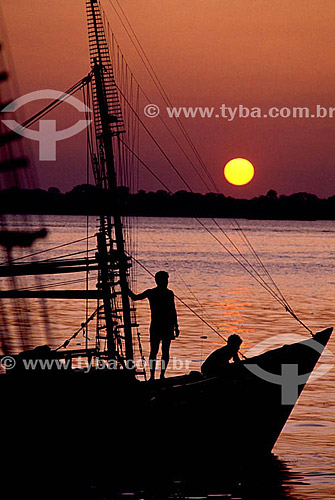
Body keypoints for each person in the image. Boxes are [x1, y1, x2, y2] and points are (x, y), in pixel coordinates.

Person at [128, 271, 179, 381]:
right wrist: (126, 289)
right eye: (164, 280)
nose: (166, 282)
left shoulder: (168, 293)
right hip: (158, 325)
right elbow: (135, 297)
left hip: (165, 325)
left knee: (164, 351)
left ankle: (161, 375)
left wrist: (176, 326)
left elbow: (173, 310)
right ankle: (153, 376)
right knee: (154, 352)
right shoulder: (152, 293)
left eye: (166, 280)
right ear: (157, 281)